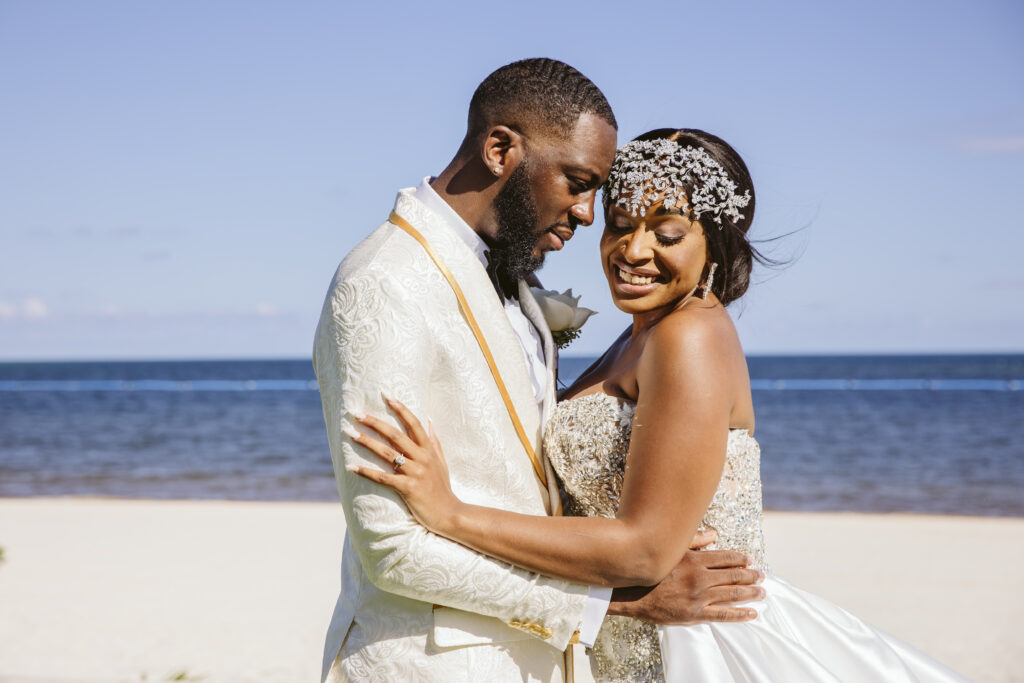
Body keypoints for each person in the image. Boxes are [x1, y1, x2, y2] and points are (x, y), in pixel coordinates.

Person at [348, 128, 969, 681]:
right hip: (620, 638)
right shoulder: (640, 329)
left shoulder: (689, 337)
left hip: (691, 645)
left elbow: (644, 549)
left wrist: (451, 514)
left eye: (666, 233)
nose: (634, 250)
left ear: (715, 244)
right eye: (620, 223)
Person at [313, 61, 764, 683]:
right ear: (499, 149)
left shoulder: (528, 285)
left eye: (664, 232)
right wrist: (612, 608)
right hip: (435, 663)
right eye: (584, 188)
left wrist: (457, 514)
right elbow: (391, 547)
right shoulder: (383, 284)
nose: (588, 217)